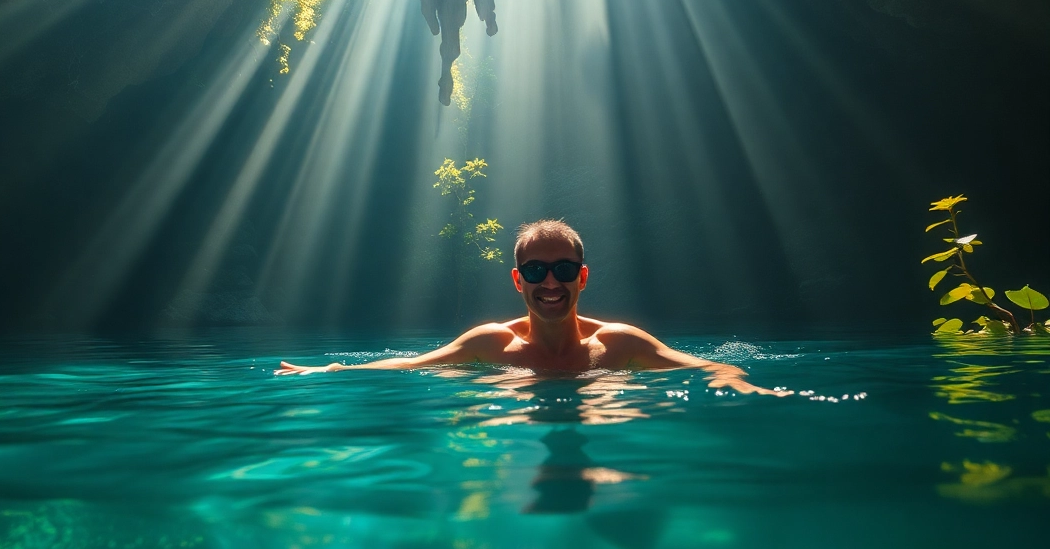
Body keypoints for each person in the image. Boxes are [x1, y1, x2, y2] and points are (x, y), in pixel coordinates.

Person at [276, 219, 789, 396]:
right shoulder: (490, 344)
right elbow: (410, 365)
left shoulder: (620, 344)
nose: (551, 282)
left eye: (564, 270)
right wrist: (333, 368)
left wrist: (736, 382)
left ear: (582, 278)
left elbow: (716, 365)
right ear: (518, 280)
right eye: (538, 271)